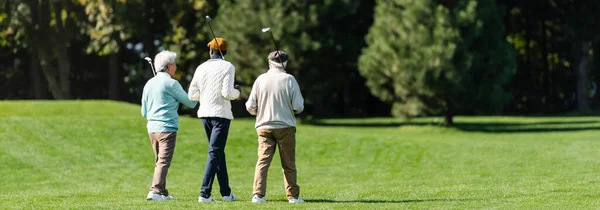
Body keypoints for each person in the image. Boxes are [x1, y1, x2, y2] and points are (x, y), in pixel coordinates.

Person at [245, 51, 305, 203]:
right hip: (285, 126)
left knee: (263, 161)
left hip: (263, 126)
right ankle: (293, 197)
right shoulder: (290, 79)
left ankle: (258, 195)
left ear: (270, 62)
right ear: (285, 63)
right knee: (288, 163)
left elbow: (250, 106)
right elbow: (298, 106)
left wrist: (257, 112)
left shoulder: (260, 79)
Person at [188, 37, 240, 202]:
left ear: (211, 51)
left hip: (204, 114)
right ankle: (205, 194)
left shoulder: (201, 67)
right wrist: (237, 91)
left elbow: (192, 94)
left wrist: (205, 94)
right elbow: (227, 93)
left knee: (217, 153)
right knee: (215, 152)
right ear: (225, 52)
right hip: (221, 115)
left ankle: (226, 193)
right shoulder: (228, 66)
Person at [141, 50, 198, 201]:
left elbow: (144, 111)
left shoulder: (149, 83)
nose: (176, 66)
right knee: (163, 161)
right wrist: (199, 91)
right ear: (168, 66)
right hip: (167, 128)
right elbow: (191, 103)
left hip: (152, 128)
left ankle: (162, 192)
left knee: (159, 161)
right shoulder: (172, 83)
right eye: (174, 64)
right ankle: (155, 191)